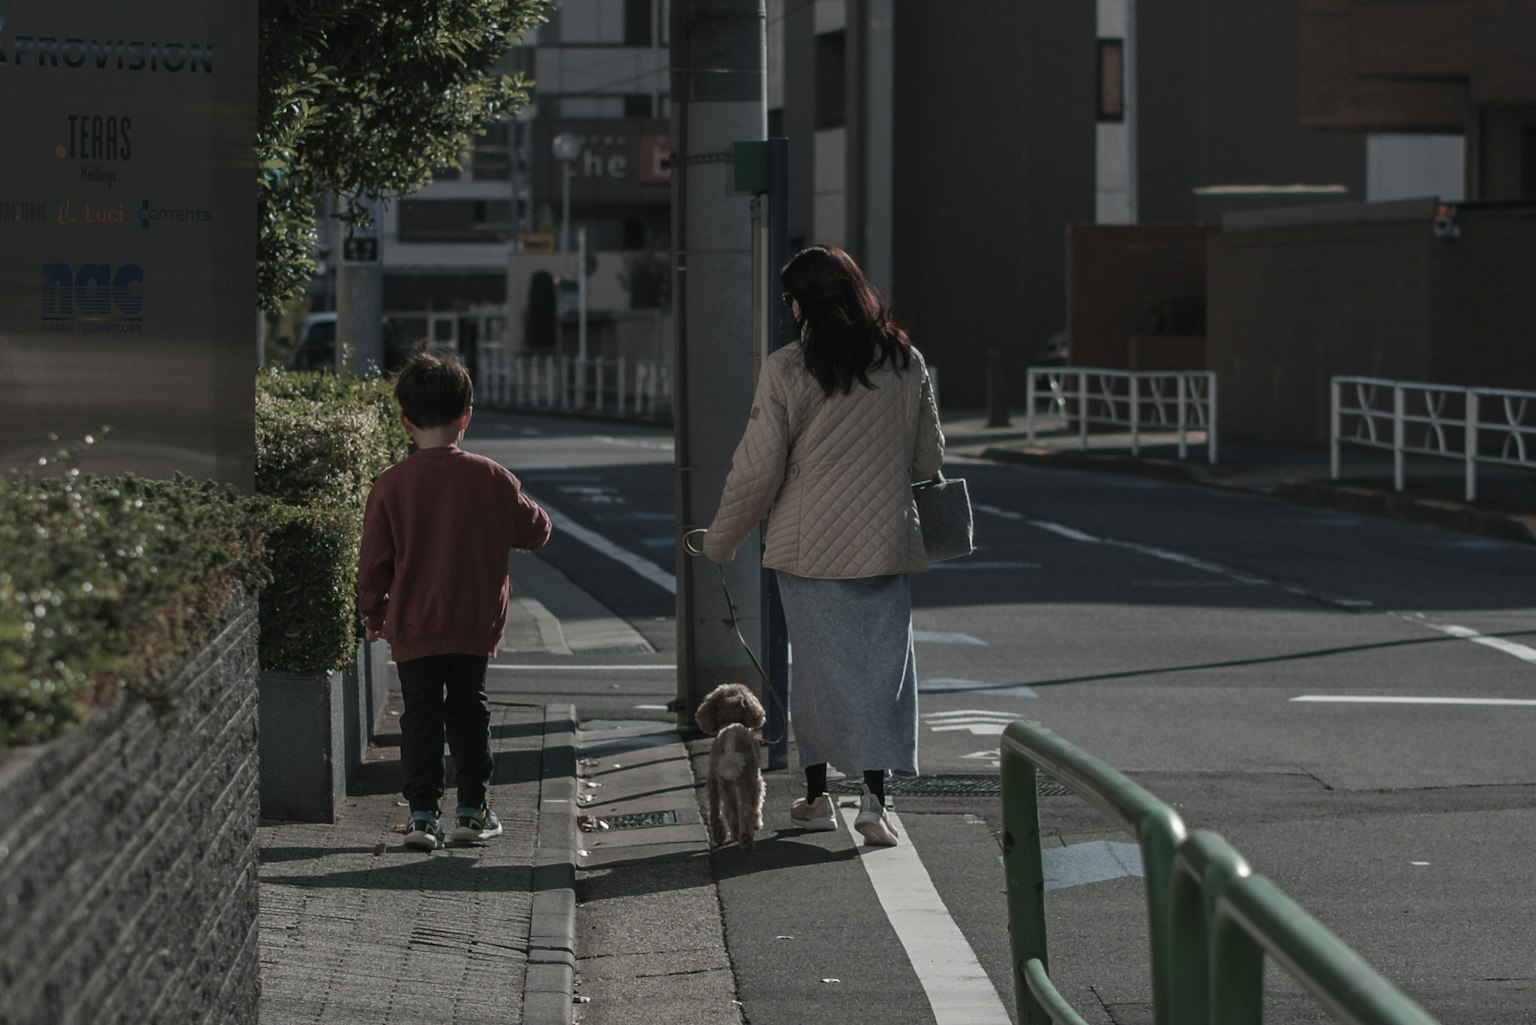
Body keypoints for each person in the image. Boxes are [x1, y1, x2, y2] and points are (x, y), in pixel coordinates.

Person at [702, 245, 944, 847]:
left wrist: (720, 542)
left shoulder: (788, 367)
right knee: (883, 675)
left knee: (816, 675)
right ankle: (875, 801)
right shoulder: (905, 359)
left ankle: (816, 798)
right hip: (885, 542)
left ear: (802, 303)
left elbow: (757, 471)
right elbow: (927, 459)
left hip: (809, 547)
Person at [358, 350, 553, 851]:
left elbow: (374, 561)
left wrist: (374, 613)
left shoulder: (391, 484)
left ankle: (423, 817)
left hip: (412, 621)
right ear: (466, 416)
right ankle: (473, 810)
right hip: (473, 620)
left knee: (419, 716)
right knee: (470, 710)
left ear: (405, 421)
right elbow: (537, 530)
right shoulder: (491, 477)